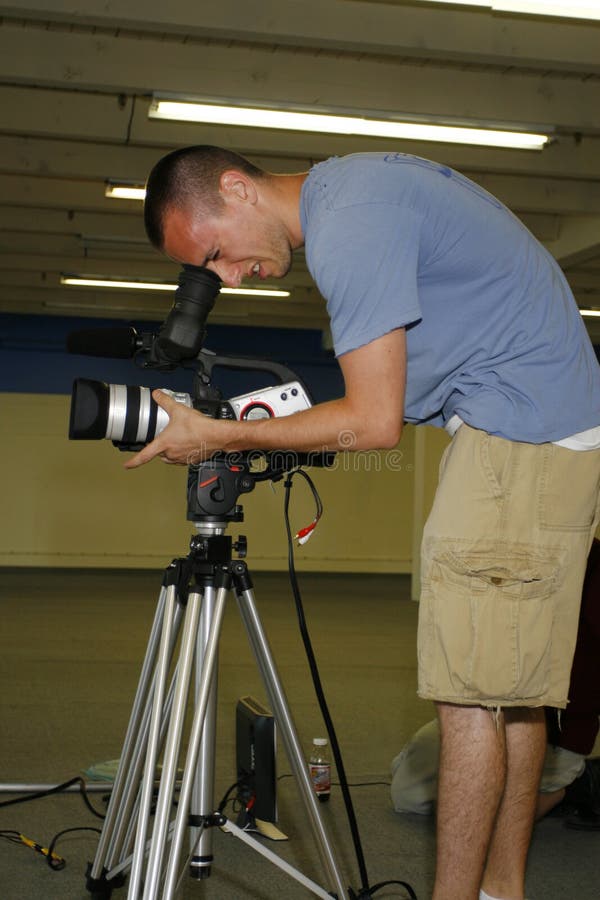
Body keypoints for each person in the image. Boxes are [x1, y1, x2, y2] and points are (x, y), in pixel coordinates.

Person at [127, 146, 600, 900]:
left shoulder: (348, 221)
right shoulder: (361, 191)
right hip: (545, 434)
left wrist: (221, 435)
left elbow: (372, 422)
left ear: (238, 187)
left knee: (470, 695)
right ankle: (500, 891)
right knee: (509, 694)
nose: (229, 278)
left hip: (520, 442)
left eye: (216, 253)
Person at [391, 542, 600, 830]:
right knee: (408, 795)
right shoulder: (500, 548)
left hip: (557, 733)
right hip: (487, 716)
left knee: (483, 821)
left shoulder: (591, 563)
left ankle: (573, 786)